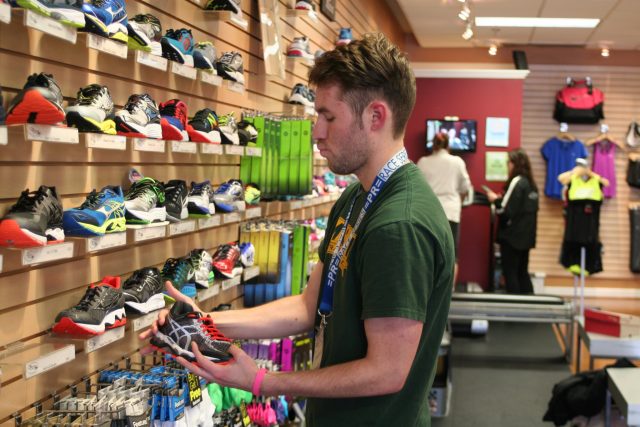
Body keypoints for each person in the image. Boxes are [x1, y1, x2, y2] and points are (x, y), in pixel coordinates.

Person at [141, 32, 454, 426]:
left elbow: (387, 371)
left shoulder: (399, 225)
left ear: (376, 116)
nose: (316, 131)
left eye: (329, 117)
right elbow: (308, 306)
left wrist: (262, 381)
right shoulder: (356, 198)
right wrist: (204, 320)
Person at [416, 132, 472, 282]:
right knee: (451, 254)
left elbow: (417, 188)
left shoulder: (423, 162)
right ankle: (450, 291)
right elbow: (465, 188)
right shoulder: (457, 161)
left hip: (428, 213)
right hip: (450, 212)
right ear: (448, 145)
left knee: (428, 253)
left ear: (433, 144)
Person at [486, 149, 539, 294]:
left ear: (515, 164)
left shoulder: (516, 181)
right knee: (522, 272)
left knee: (511, 273)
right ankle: (531, 308)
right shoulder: (531, 184)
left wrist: (495, 200)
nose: (507, 166)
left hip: (512, 237)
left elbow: (504, 210)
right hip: (527, 237)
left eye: (508, 162)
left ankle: (515, 311)